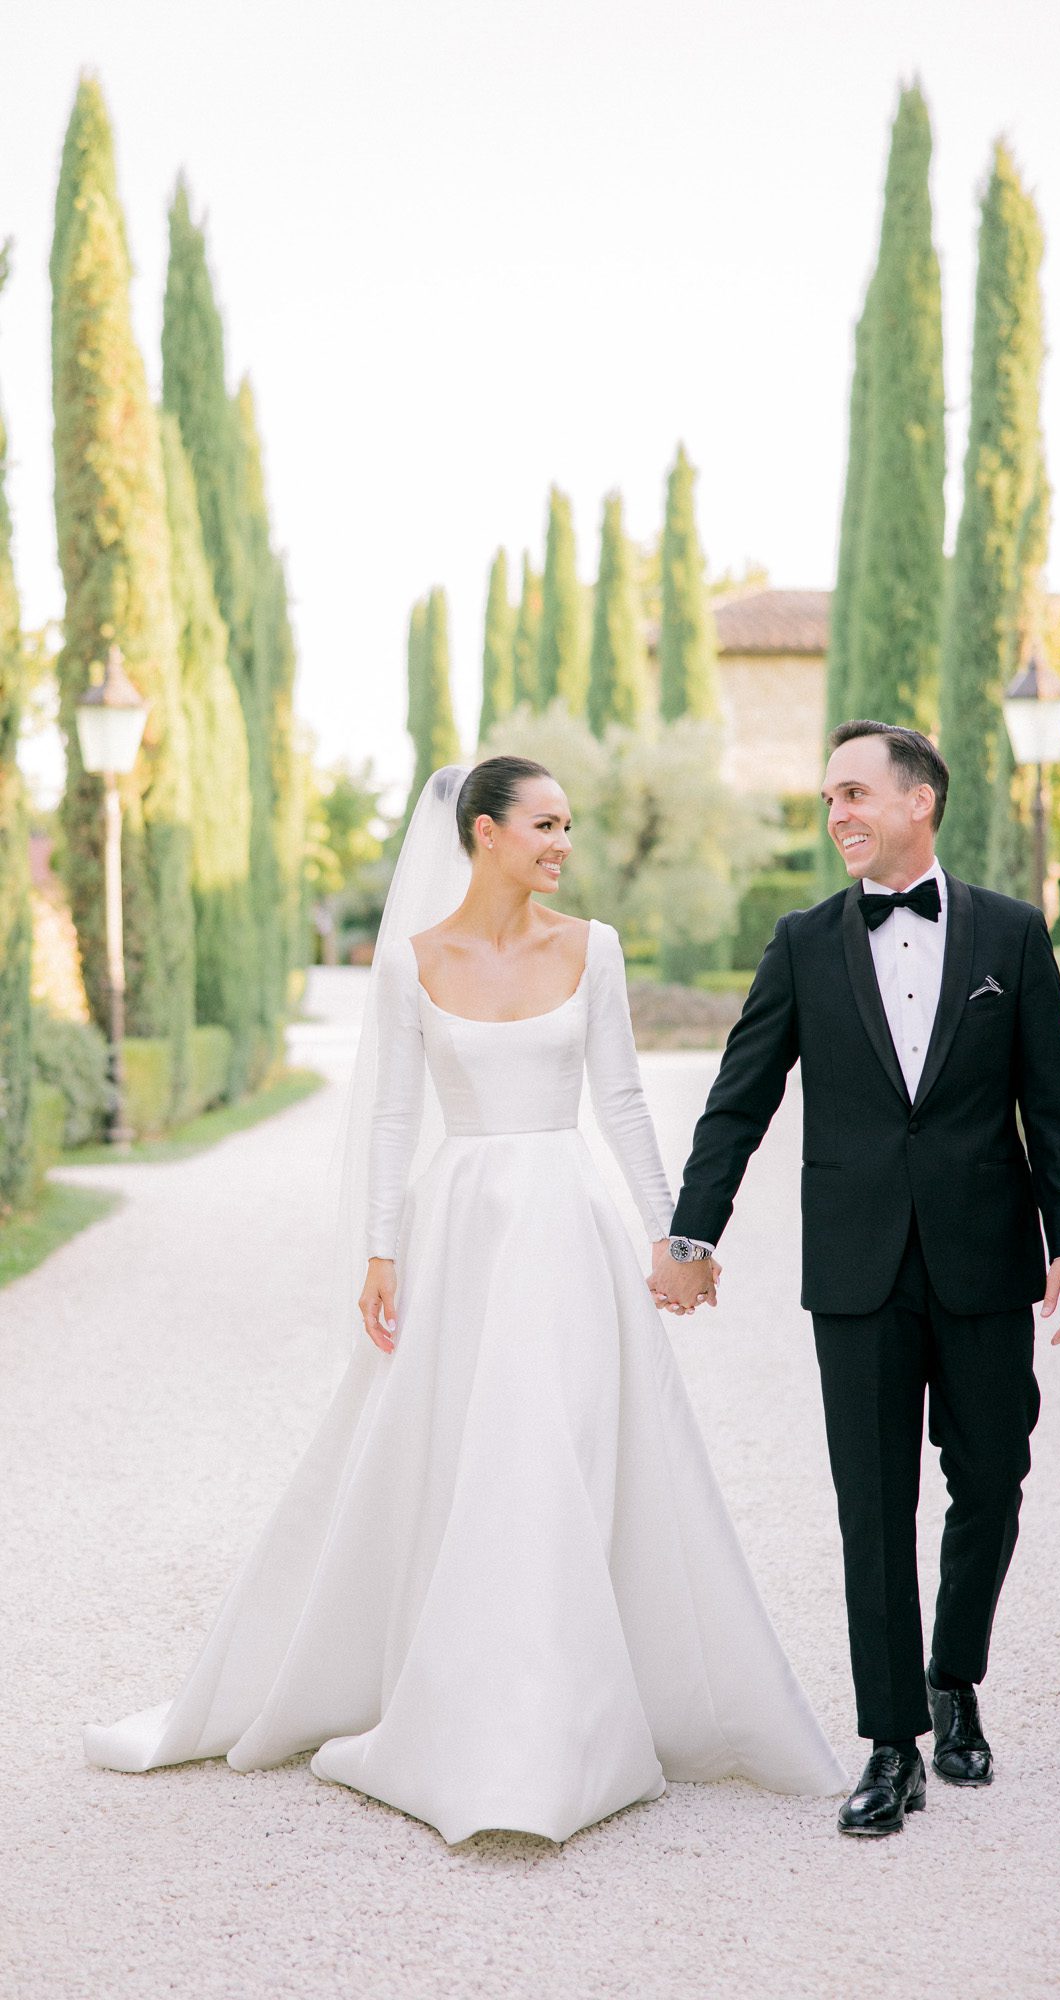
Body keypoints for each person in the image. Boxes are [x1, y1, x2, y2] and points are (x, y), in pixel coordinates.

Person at [82, 757, 846, 1843]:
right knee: (463, 1455)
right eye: (543, 824)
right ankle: (470, 1711)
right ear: (482, 831)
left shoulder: (593, 948)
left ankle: (569, 1719)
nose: (561, 843)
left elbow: (623, 1102)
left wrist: (673, 1233)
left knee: (559, 1450)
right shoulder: (413, 958)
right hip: (461, 1232)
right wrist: (381, 1251)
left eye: (568, 826)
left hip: (566, 1229)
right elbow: (394, 1113)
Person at [652, 720, 1060, 1838]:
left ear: (919, 801)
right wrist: (693, 1233)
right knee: (873, 1505)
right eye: (826, 799)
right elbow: (738, 1097)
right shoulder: (802, 941)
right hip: (853, 1266)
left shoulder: (1009, 931)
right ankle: (891, 1740)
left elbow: (1052, 1100)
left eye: (854, 792)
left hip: (986, 1258)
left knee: (991, 1478)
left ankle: (956, 1678)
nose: (837, 813)